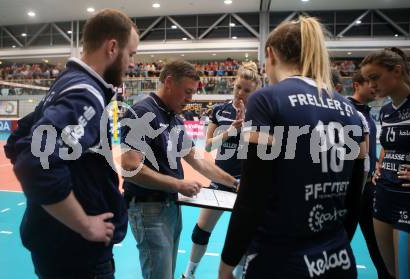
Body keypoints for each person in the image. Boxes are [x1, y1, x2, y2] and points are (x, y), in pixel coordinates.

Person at [219, 16, 367, 279]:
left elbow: (253, 192)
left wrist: (228, 261)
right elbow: (356, 190)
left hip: (280, 259)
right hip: (339, 257)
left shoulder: (266, 100)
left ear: (270, 54)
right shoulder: (350, 110)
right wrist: (337, 242)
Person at [3, 9, 139, 278]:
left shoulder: (67, 83)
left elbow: (18, 140)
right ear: (112, 47)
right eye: (131, 54)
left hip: (57, 245)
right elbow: (35, 163)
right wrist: (83, 224)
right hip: (77, 253)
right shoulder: (84, 95)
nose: (133, 63)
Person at [119, 60, 239, 279]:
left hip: (170, 207)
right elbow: (130, 167)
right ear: (169, 82)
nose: (190, 99)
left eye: (193, 93)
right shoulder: (140, 113)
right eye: (187, 92)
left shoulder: (174, 118)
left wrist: (234, 183)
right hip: (148, 208)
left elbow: (196, 160)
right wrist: (178, 184)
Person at [181, 62, 261, 279]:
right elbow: (208, 146)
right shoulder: (220, 109)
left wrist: (246, 128)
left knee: (244, 236)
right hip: (220, 181)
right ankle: (189, 274)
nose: (241, 93)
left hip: (246, 184)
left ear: (255, 92)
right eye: (238, 87)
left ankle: (239, 274)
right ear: (233, 85)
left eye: (247, 90)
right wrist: (230, 131)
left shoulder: (260, 115)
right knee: (200, 232)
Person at [360, 47, 410, 278]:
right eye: (367, 80)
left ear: (397, 71)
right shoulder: (384, 111)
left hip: (408, 199)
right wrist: (380, 166)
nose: (371, 85)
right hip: (382, 194)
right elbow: (388, 145)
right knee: (388, 272)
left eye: (375, 77)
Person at [347, 71, 394, 278]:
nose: (375, 86)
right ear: (357, 85)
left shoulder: (367, 113)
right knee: (336, 246)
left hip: (369, 189)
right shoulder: (345, 110)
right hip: (348, 191)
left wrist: (377, 165)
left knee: (380, 251)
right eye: (370, 82)